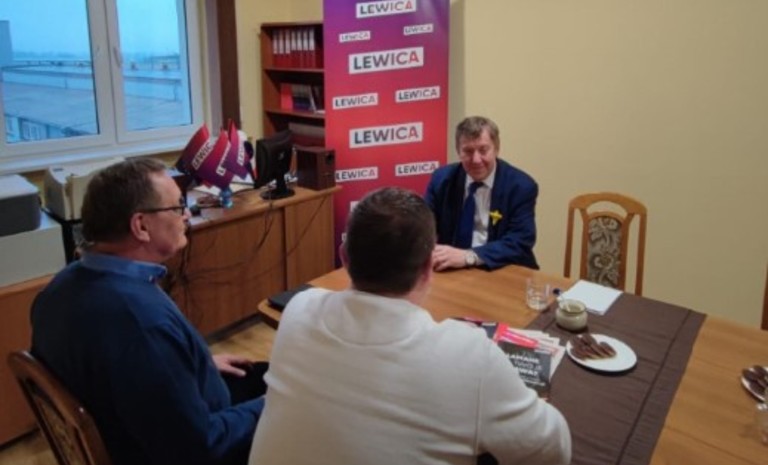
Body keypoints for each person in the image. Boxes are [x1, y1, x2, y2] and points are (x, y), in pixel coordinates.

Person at [247, 187, 571, 465]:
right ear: (429, 267)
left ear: (344, 257)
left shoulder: (298, 309)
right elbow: (554, 450)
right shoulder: (471, 359)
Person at [31, 158, 267, 465]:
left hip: (134, 421)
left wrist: (195, 364)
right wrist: (272, 405)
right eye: (177, 207)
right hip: (178, 448)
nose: (186, 214)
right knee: (301, 400)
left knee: (266, 373)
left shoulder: (58, 289)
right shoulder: (141, 324)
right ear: (141, 226)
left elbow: (119, 368)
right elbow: (197, 448)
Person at [425, 116, 539, 271]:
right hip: (453, 269)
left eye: (483, 150)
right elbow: (424, 227)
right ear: (458, 151)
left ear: (496, 149)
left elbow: (520, 241)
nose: (476, 160)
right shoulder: (442, 179)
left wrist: (469, 256)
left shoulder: (521, 187)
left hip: (502, 268)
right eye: (468, 151)